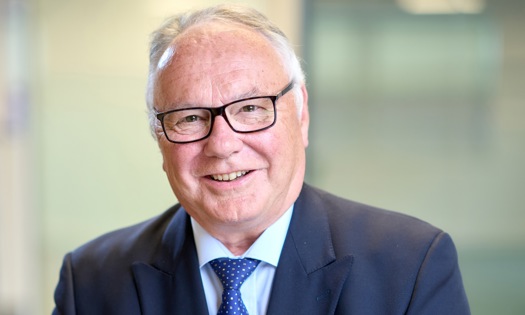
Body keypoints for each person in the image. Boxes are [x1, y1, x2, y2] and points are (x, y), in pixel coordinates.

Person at [52, 4, 470, 315]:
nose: (223, 144)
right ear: (159, 138)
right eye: (190, 118)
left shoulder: (411, 268)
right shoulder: (90, 283)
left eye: (251, 108)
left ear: (301, 113)